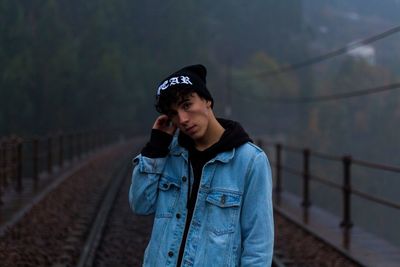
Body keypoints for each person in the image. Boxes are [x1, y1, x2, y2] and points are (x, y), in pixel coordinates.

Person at [129, 64, 274, 267]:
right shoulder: (169, 153)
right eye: (173, 113)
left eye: (187, 105)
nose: (183, 119)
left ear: (207, 100)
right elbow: (140, 204)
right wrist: (155, 148)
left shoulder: (249, 161)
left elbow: (258, 246)